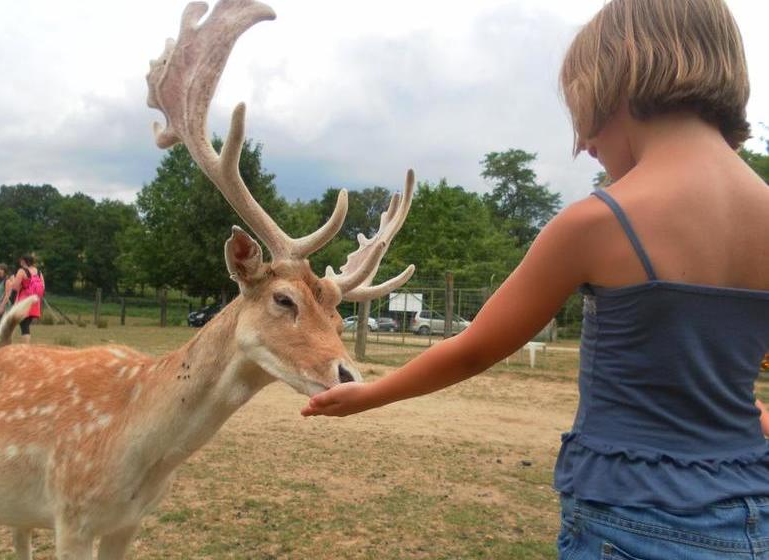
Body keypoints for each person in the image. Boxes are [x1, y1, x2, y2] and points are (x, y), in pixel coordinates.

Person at [302, 0, 769, 557]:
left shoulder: (596, 223)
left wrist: (369, 395)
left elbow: (473, 350)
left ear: (624, 73)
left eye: (588, 120)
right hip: (750, 517)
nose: (585, 146)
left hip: (629, 521)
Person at [0, 254, 44, 344]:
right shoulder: (38, 272)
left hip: (23, 301)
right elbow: (43, 286)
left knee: (23, 325)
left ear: (24, 261)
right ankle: (23, 345)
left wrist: (14, 283)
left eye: (21, 260)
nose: (20, 262)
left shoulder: (22, 271)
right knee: (26, 324)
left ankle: (24, 347)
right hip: (35, 301)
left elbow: (15, 287)